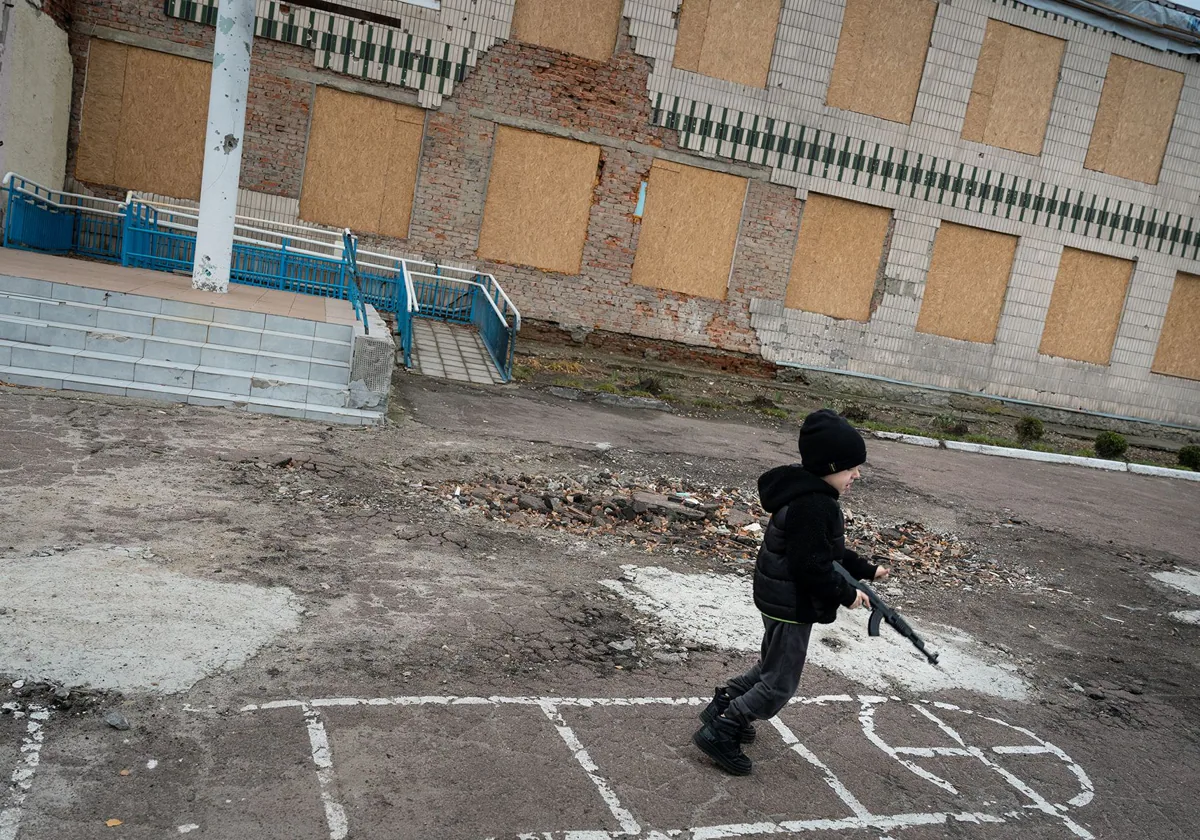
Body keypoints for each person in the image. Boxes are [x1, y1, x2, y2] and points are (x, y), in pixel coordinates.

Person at [692, 408, 889, 775]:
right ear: (829, 466)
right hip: (791, 604)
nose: (856, 475)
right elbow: (811, 566)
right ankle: (723, 728)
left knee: (771, 667)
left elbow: (827, 552)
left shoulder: (810, 495)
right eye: (851, 469)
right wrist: (845, 594)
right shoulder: (814, 506)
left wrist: (863, 570)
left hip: (780, 598)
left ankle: (725, 704)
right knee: (780, 682)